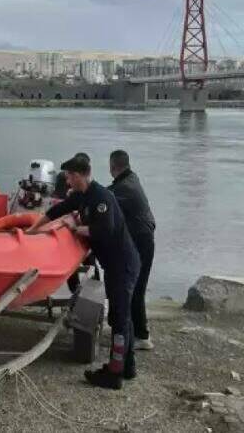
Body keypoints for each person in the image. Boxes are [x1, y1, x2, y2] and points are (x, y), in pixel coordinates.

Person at [30, 155, 140, 389]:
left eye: (69, 176)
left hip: (122, 265)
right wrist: (32, 230)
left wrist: (75, 227)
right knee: (123, 317)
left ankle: (114, 374)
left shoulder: (102, 198)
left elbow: (104, 230)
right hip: (115, 264)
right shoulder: (83, 196)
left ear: (79, 175)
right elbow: (58, 209)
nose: (67, 181)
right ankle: (127, 367)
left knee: (119, 319)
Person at [107, 150, 156, 350]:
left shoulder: (126, 187)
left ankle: (142, 336)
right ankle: (132, 330)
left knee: (135, 288)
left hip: (142, 242)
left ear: (113, 167)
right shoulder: (130, 180)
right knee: (133, 286)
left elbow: (105, 197)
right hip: (143, 239)